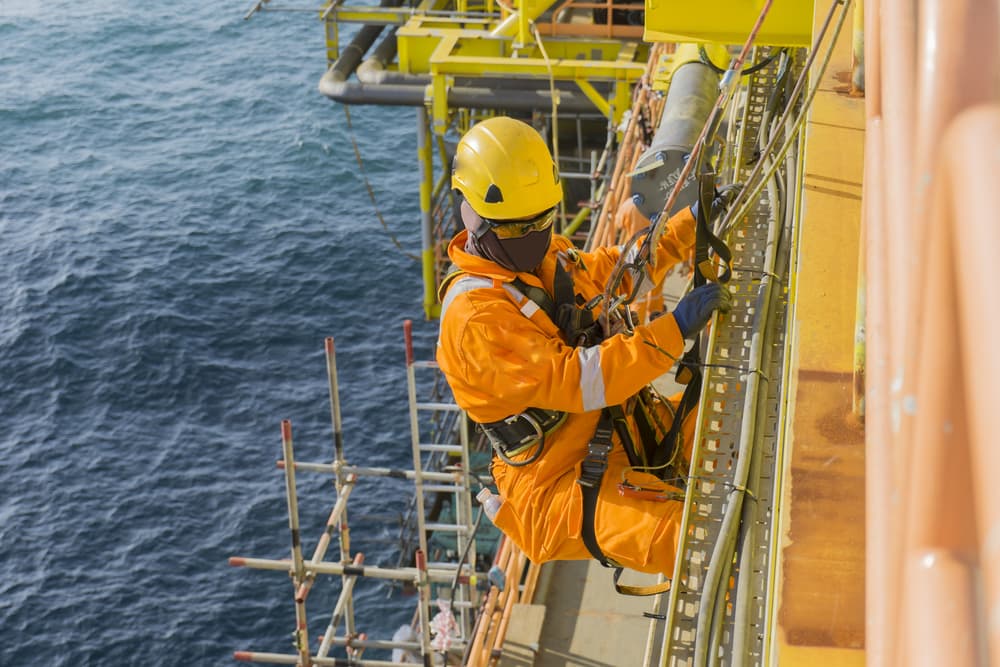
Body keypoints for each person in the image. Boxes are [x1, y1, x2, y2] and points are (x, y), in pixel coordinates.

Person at [435, 116, 732, 579]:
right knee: (698, 543)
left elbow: (614, 274)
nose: (535, 236)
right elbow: (579, 379)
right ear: (470, 212)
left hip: (617, 430)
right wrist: (673, 330)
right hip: (558, 484)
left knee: (728, 421)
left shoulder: (539, 259)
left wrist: (689, 225)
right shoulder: (477, 321)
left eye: (543, 221)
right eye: (518, 229)